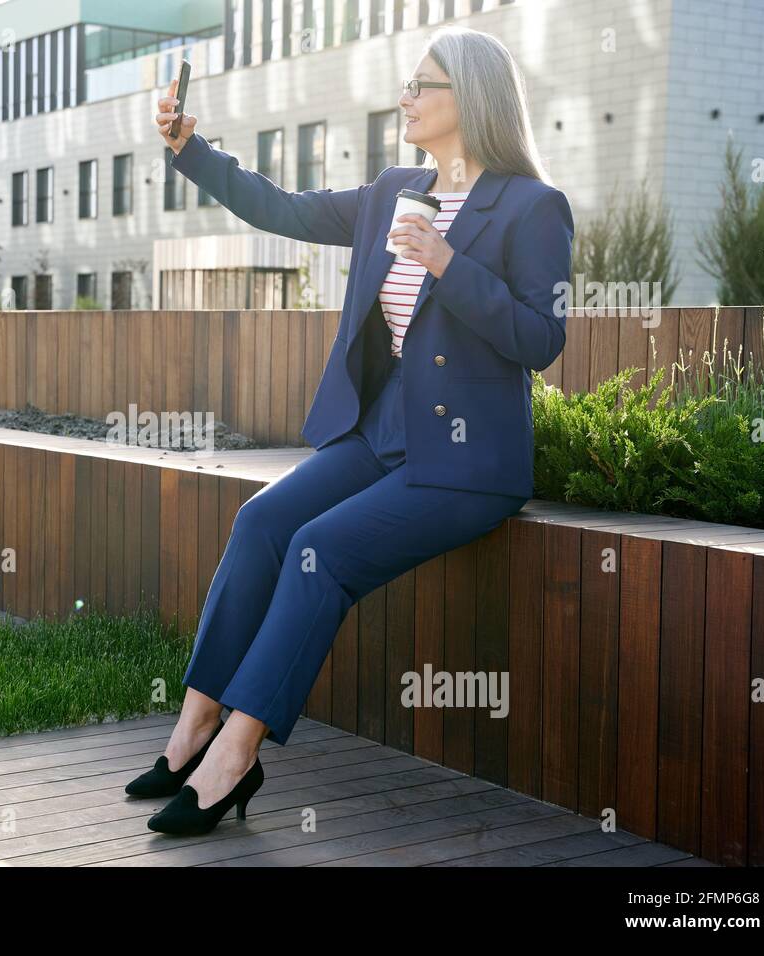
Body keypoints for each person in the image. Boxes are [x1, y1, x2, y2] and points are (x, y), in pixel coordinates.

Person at [130, 24, 574, 836]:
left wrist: (448, 263)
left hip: (466, 464)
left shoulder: (531, 207)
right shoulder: (393, 189)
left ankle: (237, 755)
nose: (404, 98)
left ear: (467, 99)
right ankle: (192, 730)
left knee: (318, 551)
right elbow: (286, 209)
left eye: (420, 86)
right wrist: (192, 150)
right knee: (262, 522)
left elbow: (542, 340)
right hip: (379, 435)